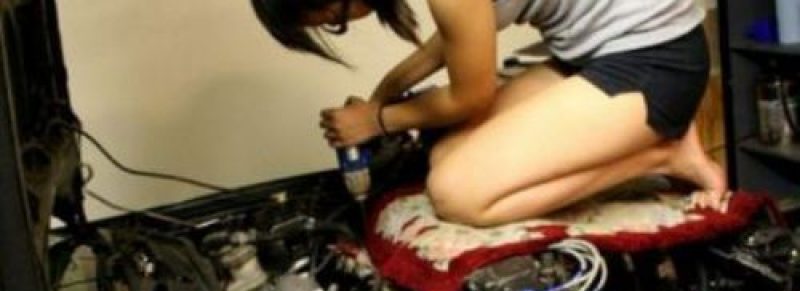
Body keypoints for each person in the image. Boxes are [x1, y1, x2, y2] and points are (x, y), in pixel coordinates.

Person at [252, 0, 727, 227]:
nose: (344, 23)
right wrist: (382, 99)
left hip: (657, 61)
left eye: (332, 20)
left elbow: (471, 98)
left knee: (458, 195)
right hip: (589, 56)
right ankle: (649, 138)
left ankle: (664, 154)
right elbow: (454, 40)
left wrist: (377, 121)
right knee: (447, 152)